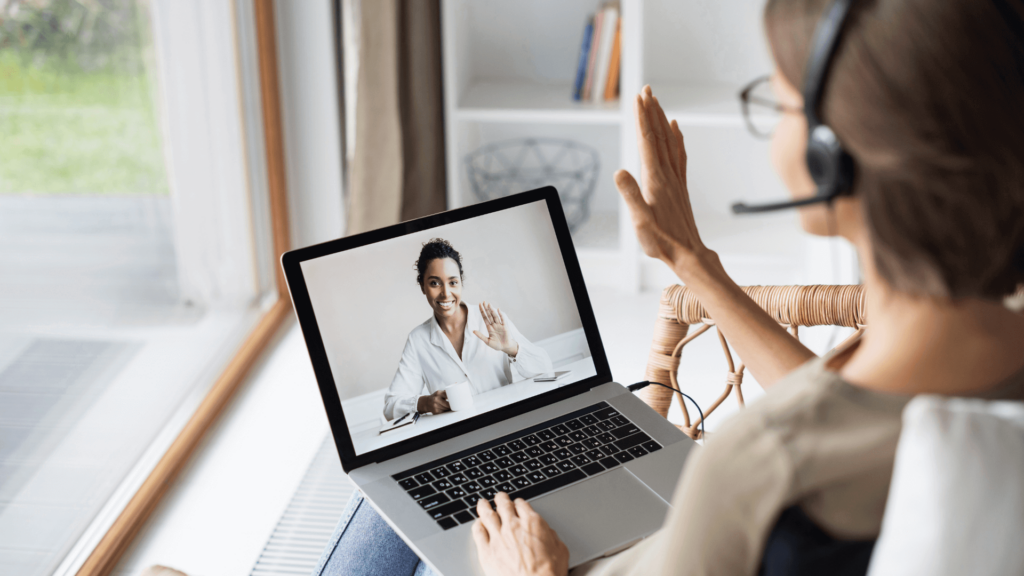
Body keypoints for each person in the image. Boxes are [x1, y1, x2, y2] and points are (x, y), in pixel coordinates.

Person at [318, 0, 1024, 574]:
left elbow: (809, 443)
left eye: (776, 105)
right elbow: (859, 429)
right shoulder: (984, 366)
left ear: (831, 157)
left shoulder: (756, 466)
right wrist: (694, 264)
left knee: (381, 507)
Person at [382, 238, 553, 421]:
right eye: (434, 283)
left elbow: (546, 370)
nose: (446, 293)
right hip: (461, 434)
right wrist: (424, 403)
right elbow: (390, 406)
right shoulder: (418, 340)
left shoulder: (491, 320)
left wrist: (512, 348)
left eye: (453, 282)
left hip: (509, 421)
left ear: (461, 283)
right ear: (423, 286)